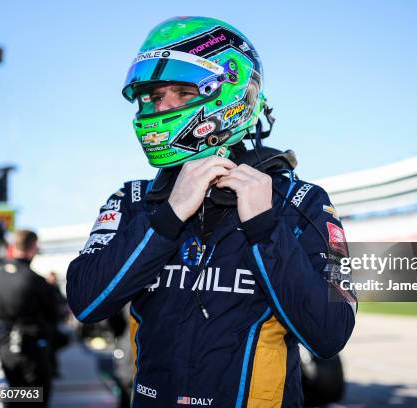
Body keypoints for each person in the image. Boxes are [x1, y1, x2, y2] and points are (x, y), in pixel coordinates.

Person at [67, 16, 357, 407]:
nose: (162, 105)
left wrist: (265, 228)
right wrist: (168, 217)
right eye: (154, 96)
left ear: (233, 90)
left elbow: (329, 335)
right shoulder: (134, 199)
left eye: (182, 93)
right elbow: (86, 302)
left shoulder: (301, 202)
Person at [0, 230, 58, 406]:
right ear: (33, 247)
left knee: (17, 394)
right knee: (37, 396)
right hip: (31, 347)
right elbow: (53, 313)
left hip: (5, 346)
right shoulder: (34, 280)